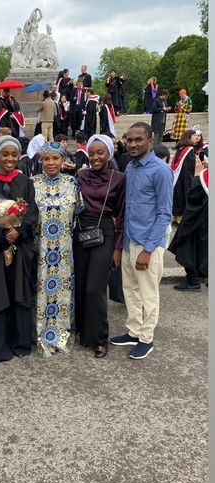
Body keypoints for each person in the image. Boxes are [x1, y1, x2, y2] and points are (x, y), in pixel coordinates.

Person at [110, 122, 173, 359]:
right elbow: (126, 207)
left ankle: (146, 338)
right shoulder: (131, 168)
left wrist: (148, 250)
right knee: (130, 290)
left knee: (148, 293)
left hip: (148, 243)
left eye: (139, 139)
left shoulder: (160, 170)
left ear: (150, 141)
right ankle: (134, 330)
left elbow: (164, 214)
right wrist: (119, 246)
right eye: (129, 139)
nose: (133, 144)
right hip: (128, 240)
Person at [0, 136, 39, 363]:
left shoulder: (24, 182)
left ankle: (21, 343)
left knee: (20, 294)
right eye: (5, 154)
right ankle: (1, 347)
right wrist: (2, 234)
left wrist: (18, 232)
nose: (10, 159)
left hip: (20, 248)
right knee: (0, 295)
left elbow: (31, 212)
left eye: (14, 154)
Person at [74, 134, 125, 358]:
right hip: (81, 231)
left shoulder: (119, 178)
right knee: (82, 283)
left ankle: (100, 338)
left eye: (100, 152)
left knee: (96, 287)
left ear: (108, 154)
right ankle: (84, 334)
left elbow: (122, 215)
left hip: (105, 230)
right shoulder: (80, 175)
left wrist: (118, 248)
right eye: (91, 153)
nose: (95, 157)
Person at [32, 141, 83, 357]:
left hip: (64, 252)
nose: (51, 162)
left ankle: (61, 336)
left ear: (63, 160)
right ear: (41, 160)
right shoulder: (31, 183)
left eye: (55, 158)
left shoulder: (72, 183)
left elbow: (79, 213)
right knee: (42, 292)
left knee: (63, 294)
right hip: (41, 251)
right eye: (47, 158)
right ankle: (42, 336)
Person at [168, 167, 208, 291]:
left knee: (190, 245)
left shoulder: (204, 176)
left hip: (200, 221)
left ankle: (193, 281)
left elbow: (193, 197)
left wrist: (196, 175)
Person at [171, 129, 200, 221]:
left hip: (178, 177)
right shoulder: (189, 149)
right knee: (183, 195)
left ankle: (176, 217)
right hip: (185, 177)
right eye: (194, 135)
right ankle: (181, 218)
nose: (197, 137)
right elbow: (190, 167)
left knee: (178, 196)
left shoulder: (181, 148)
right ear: (189, 137)